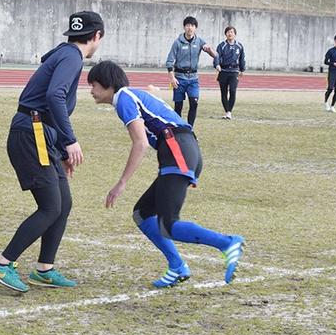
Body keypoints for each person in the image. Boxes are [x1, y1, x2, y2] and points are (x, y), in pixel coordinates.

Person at [88, 61, 244, 288]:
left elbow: (140, 143)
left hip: (177, 149)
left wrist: (121, 183)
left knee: (168, 224)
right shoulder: (131, 96)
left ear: (108, 84)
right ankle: (177, 266)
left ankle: (227, 243)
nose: (91, 91)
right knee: (143, 213)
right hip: (181, 149)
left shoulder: (123, 98)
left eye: (93, 85)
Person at [0, 11, 105, 293]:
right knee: (50, 206)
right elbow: (54, 96)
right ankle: (2, 263)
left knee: (63, 203)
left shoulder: (64, 53)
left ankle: (44, 269)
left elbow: (49, 105)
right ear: (97, 36)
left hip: (40, 133)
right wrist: (70, 141)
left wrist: (62, 150)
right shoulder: (72, 57)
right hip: (31, 133)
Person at [165, 16, 216, 127]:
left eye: (192, 26)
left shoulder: (199, 41)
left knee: (194, 103)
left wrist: (209, 49)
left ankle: (189, 128)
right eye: (187, 25)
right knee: (178, 106)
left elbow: (214, 55)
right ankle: (178, 128)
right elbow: (169, 62)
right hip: (179, 78)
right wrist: (172, 78)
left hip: (193, 79)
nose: (190, 28)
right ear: (184, 27)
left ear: (195, 28)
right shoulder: (177, 42)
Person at [214, 26, 246, 119]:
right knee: (223, 92)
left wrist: (242, 69)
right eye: (228, 32)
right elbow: (216, 56)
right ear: (225, 34)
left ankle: (229, 112)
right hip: (223, 71)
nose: (230, 33)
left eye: (232, 32)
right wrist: (217, 65)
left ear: (235, 34)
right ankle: (227, 111)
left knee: (232, 90)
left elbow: (242, 58)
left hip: (234, 71)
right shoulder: (221, 46)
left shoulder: (239, 46)